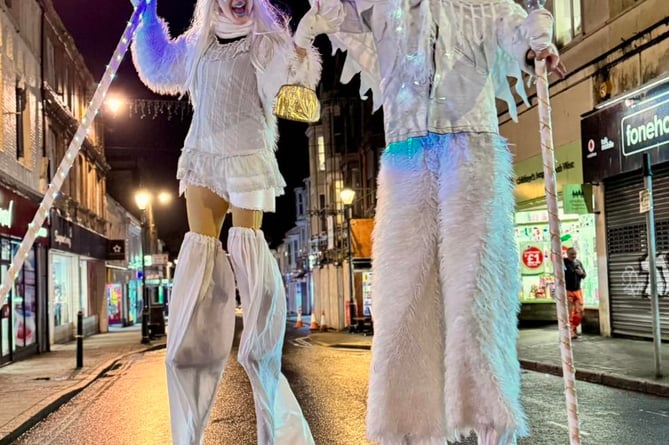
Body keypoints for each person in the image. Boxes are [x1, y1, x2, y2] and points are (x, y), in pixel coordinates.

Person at [300, 0, 567, 443]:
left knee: (476, 293)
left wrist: (537, 41)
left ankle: (489, 422)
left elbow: (515, 29)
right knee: (404, 297)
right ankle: (407, 425)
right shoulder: (382, 7)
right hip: (408, 154)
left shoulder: (485, 4)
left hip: (471, 150)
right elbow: (337, 12)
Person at [130, 0, 340, 443]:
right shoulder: (199, 42)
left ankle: (278, 430)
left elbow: (296, 92)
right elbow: (159, 66)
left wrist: (302, 38)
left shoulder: (266, 39)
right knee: (197, 280)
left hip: (248, 160)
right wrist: (145, 17)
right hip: (205, 159)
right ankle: (187, 433)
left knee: (251, 262)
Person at [564, 247, 586, 339]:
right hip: (568, 290)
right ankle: (571, 331)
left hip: (578, 290)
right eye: (572, 254)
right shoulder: (563, 263)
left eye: (575, 254)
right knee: (570, 312)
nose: (574, 256)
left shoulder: (578, 262)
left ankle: (573, 328)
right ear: (567, 254)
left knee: (580, 311)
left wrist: (581, 273)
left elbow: (584, 275)